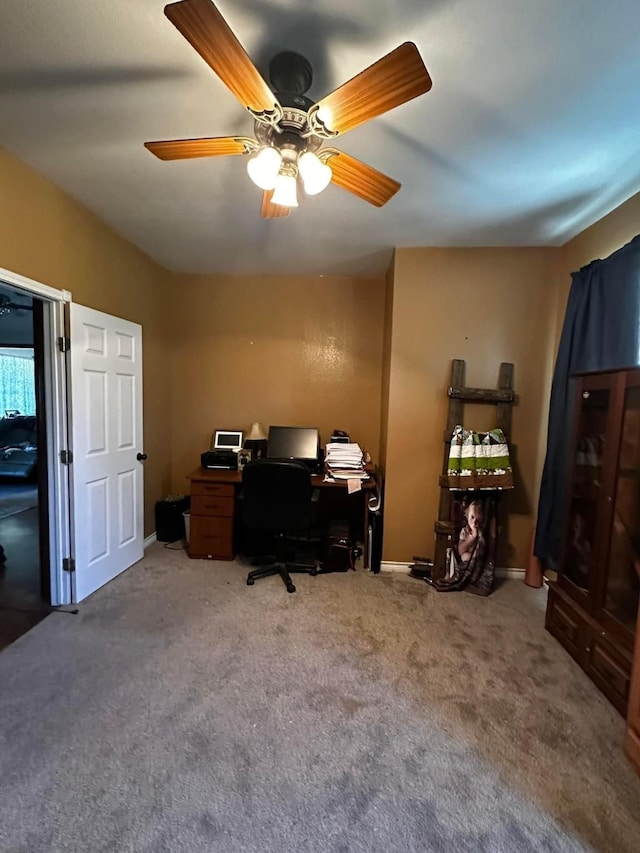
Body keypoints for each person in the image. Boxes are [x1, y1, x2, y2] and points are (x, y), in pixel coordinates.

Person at [457, 499, 485, 564]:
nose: (474, 522)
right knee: (465, 556)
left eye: (478, 518)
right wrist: (471, 538)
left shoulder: (481, 532)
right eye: (472, 517)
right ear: (467, 516)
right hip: (466, 559)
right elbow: (460, 551)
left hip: (478, 558)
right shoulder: (465, 531)